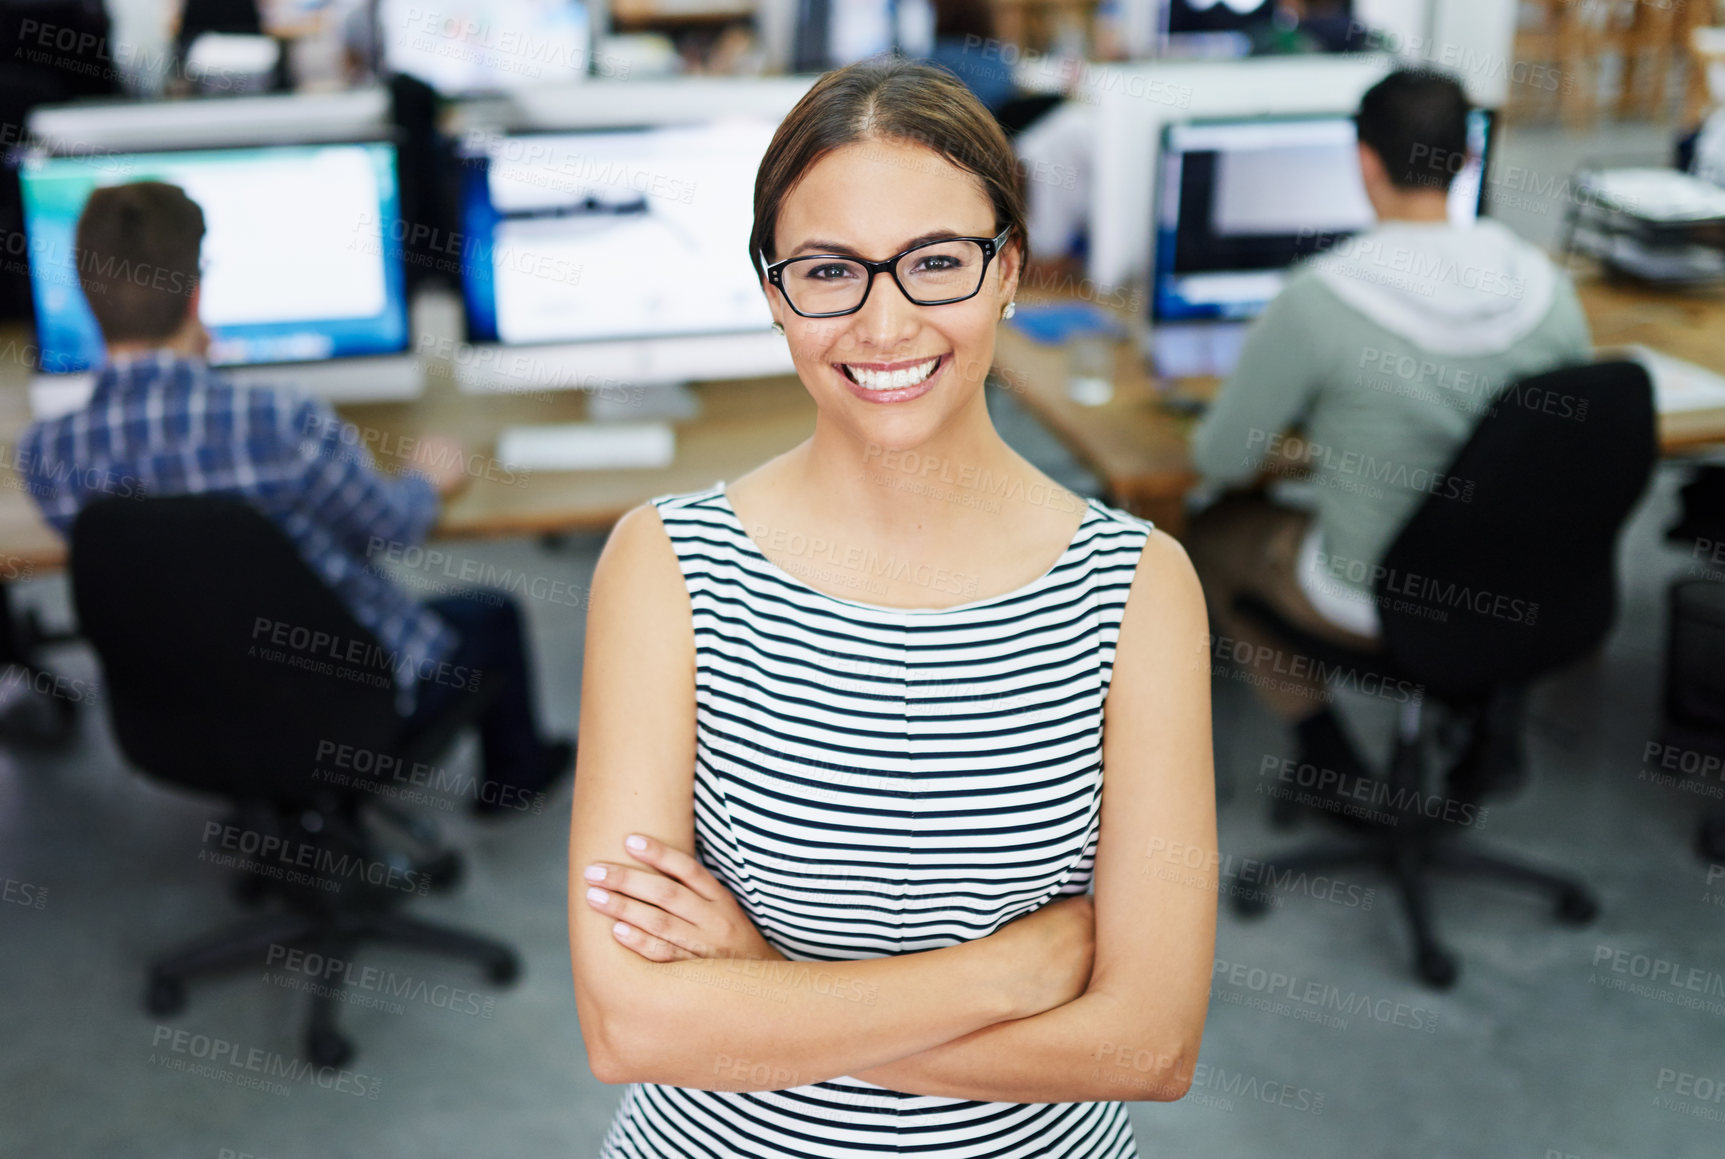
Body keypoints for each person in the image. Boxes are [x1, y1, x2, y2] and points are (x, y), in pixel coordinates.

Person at [567, 57, 1216, 1159]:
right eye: (829, 270)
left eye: (935, 263)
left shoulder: (1137, 589)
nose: (884, 322)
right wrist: (1001, 974)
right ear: (775, 291)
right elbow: (632, 1024)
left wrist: (763, 990)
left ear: (1008, 268)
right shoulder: (666, 567)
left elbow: (1144, 1049)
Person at [19, 181, 572, 816]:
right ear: (196, 294)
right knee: (492, 613)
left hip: (182, 713)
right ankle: (516, 777)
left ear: (87, 299)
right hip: (348, 704)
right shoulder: (280, 422)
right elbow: (389, 529)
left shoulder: (47, 454)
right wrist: (426, 477)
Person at [1186, 67, 1593, 779]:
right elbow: (1563, 443)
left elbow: (1220, 459)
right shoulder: (1544, 285)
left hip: (1371, 597)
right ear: (1467, 157)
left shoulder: (1320, 296)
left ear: (1364, 161)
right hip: (1522, 586)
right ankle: (1480, 721)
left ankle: (1326, 757)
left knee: (1213, 530)